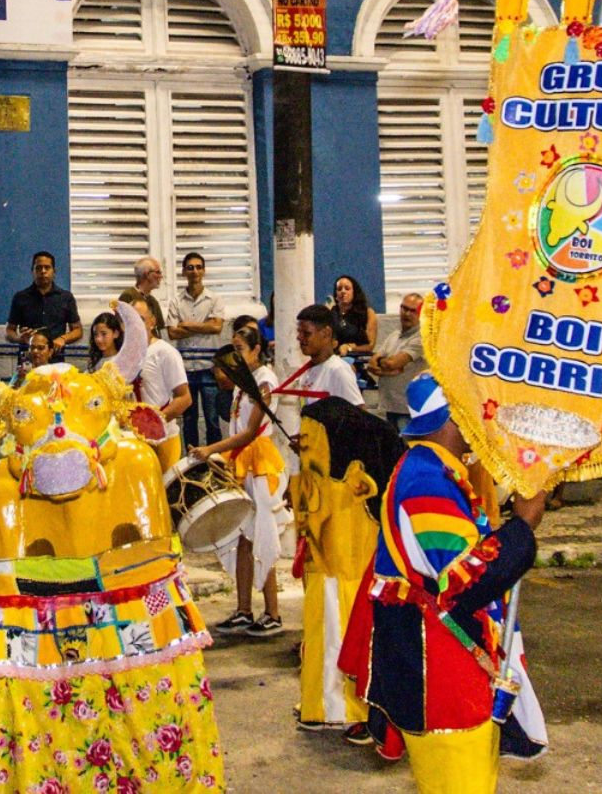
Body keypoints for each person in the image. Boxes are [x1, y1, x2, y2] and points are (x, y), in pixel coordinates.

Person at [341, 372, 547, 791]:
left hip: (440, 666)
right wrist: (523, 526)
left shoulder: (430, 469)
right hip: (440, 676)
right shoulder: (427, 480)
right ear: (452, 416)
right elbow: (465, 580)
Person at [290, 396, 397, 745]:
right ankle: (319, 704)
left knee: (344, 640)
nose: (304, 443)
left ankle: (353, 711)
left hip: (346, 578)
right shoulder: (320, 479)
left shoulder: (354, 481)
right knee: (322, 637)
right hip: (324, 574)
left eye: (310, 437)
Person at [192, 328, 286, 637]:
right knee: (242, 539)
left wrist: (211, 449)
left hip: (259, 464)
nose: (235, 356)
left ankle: (273, 612)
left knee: (263, 535)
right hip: (240, 462)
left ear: (256, 350)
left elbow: (249, 432)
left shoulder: (265, 380)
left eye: (241, 349)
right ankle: (244, 609)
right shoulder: (241, 383)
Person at [168, 251, 229, 450]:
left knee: (212, 418)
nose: (195, 271)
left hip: (209, 367)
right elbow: (172, 333)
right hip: (185, 369)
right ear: (184, 272)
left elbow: (216, 327)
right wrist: (204, 325)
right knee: (189, 419)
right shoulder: (176, 301)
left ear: (204, 271)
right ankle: (192, 461)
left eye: (199, 267)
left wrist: (187, 324)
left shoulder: (214, 299)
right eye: (190, 267)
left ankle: (215, 459)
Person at [124, 289, 190, 472]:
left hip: (163, 440)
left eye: (141, 319)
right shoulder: (126, 355)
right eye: (131, 320)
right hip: (135, 441)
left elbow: (185, 398)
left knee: (163, 488)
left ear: (152, 322)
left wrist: (154, 424)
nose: (135, 325)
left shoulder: (165, 352)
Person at [369, 293, 426, 428]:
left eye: (412, 310)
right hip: (390, 407)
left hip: (409, 410)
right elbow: (372, 364)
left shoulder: (422, 338)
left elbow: (392, 363)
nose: (407, 314)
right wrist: (388, 368)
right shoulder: (394, 336)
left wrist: (387, 364)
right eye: (404, 308)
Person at [5, 252, 81, 351]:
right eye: (38, 268)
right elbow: (9, 331)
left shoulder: (66, 297)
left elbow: (78, 330)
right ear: (32, 271)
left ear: (54, 271)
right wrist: (19, 338)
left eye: (47, 267)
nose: (43, 271)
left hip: (55, 356)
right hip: (28, 356)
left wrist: (63, 339)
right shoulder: (20, 297)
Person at [330, 275, 379, 361]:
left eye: (347, 288)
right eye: (339, 289)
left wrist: (349, 348)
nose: (343, 291)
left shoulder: (367, 312)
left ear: (354, 292)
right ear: (336, 294)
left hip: (356, 358)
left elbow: (370, 345)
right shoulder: (331, 312)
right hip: (334, 358)